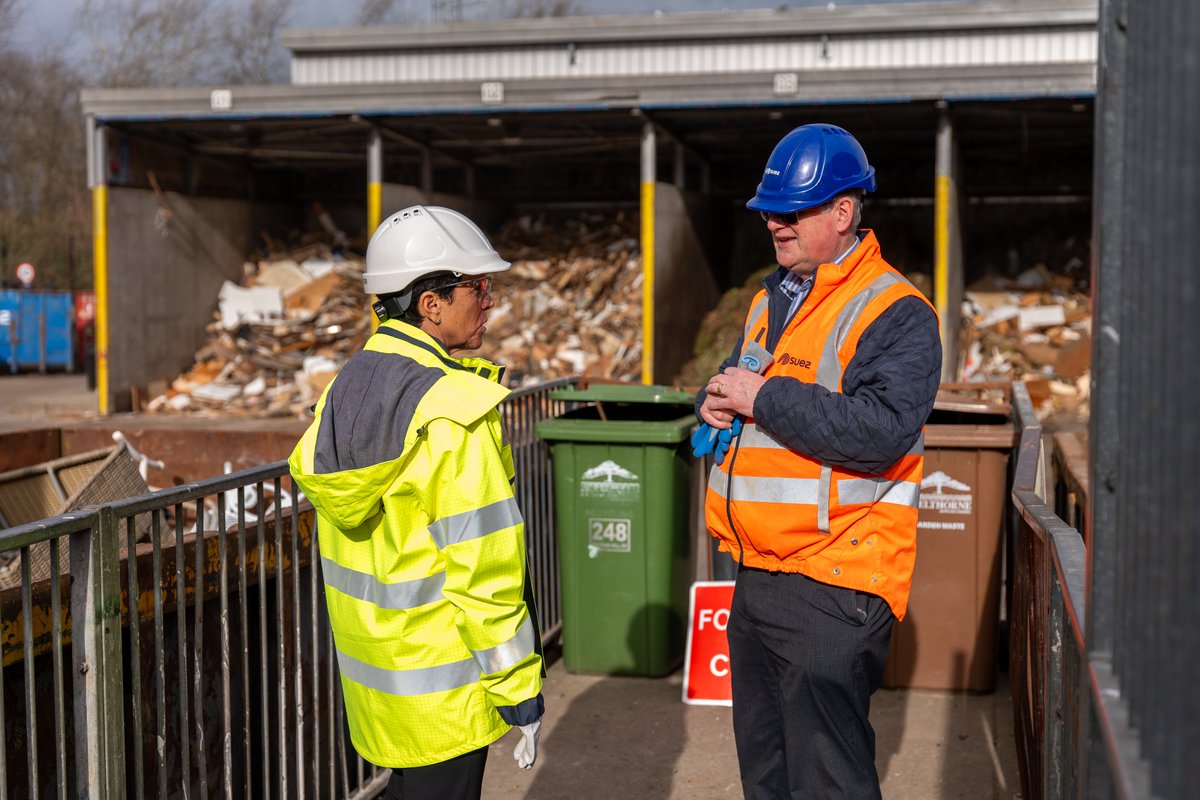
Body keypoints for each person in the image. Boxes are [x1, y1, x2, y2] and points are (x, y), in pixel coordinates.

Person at [693, 124, 941, 799]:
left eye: (792, 209)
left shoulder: (897, 312)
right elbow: (749, 384)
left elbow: (881, 429)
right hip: (759, 574)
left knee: (826, 781)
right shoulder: (770, 298)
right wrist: (712, 399)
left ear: (842, 211)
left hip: (835, 580)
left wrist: (761, 396)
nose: (775, 223)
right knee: (769, 776)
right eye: (770, 210)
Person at [289, 205, 545, 800]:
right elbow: (483, 572)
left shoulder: (344, 390)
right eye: (478, 288)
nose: (489, 301)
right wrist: (518, 691)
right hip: (448, 694)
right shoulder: (452, 411)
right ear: (430, 304)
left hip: (379, 692)